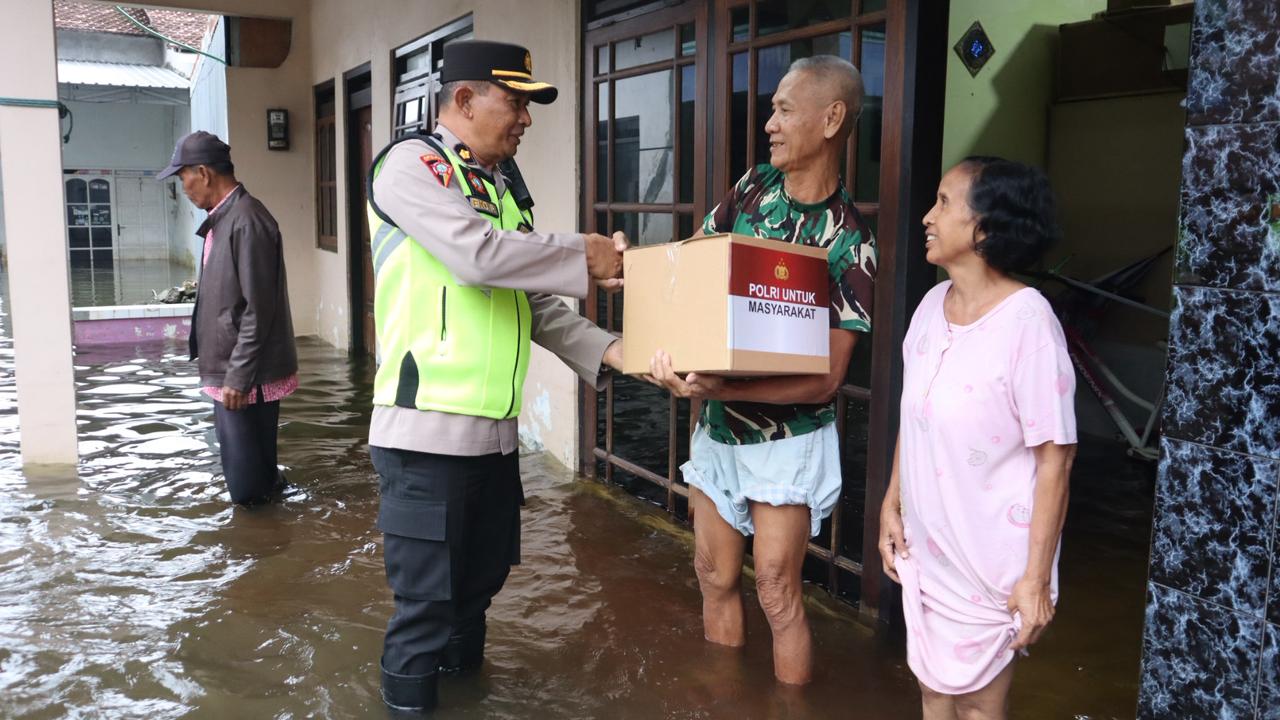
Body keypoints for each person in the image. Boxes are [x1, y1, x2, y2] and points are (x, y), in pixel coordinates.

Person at [364, 40, 627, 714]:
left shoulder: (503, 188)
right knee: (423, 614)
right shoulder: (409, 168)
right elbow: (479, 258)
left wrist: (612, 353)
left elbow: (531, 303)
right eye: (515, 102)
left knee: (475, 596)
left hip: (493, 441)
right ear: (463, 100)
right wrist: (583, 253)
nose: (526, 119)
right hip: (425, 439)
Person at [646, 55, 877, 685]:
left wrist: (722, 385)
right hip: (719, 426)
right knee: (713, 575)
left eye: (782, 109)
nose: (769, 123)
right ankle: (725, 699)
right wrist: (670, 356)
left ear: (831, 119)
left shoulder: (850, 243)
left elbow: (828, 379)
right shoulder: (753, 188)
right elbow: (694, 265)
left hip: (788, 440)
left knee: (776, 589)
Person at [878, 157, 1077, 719]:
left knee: (979, 706)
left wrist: (1035, 581)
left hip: (993, 562)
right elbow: (912, 416)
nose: (926, 216)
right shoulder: (928, 309)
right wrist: (892, 502)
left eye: (943, 202)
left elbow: (1056, 462)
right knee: (933, 693)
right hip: (930, 548)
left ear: (985, 227)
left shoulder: (1028, 322)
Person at [158, 131, 297, 506]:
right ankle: (277, 543)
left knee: (246, 489)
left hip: (244, 378)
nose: (182, 186)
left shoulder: (247, 220)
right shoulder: (225, 218)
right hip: (235, 373)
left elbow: (259, 308)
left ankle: (258, 556)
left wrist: (237, 376)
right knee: (257, 480)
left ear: (202, 172)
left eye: (182, 176)